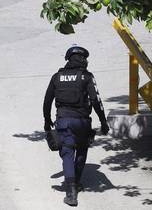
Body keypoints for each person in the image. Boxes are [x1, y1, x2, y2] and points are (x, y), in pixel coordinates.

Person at [43, 45, 110, 206]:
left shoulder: (57, 77)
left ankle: (71, 191)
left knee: (67, 153)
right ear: (83, 60)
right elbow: (96, 101)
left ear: (68, 59)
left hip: (64, 121)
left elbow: (47, 101)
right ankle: (77, 182)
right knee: (81, 150)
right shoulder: (86, 76)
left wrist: (47, 120)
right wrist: (103, 121)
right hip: (83, 122)